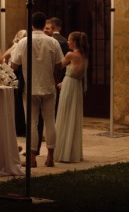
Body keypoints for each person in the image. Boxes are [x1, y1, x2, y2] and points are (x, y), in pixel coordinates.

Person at [11, 12, 64, 168]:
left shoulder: (24, 42)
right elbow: (60, 64)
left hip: (30, 87)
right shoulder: (53, 42)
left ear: (32, 24)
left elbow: (14, 65)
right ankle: (50, 157)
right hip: (48, 86)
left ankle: (32, 158)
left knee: (32, 123)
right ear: (44, 25)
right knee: (50, 122)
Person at [54, 31, 88, 163]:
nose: (67, 42)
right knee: (73, 116)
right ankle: (72, 151)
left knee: (65, 114)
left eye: (69, 40)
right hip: (76, 86)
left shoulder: (70, 55)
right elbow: (77, 73)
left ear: (74, 42)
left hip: (69, 86)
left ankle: (63, 152)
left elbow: (59, 65)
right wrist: (64, 81)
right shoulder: (84, 55)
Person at [3, 29, 28, 136]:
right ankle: (19, 127)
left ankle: (20, 126)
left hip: (17, 74)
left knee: (19, 103)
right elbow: (8, 60)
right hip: (15, 74)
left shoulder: (20, 46)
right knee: (17, 103)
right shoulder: (17, 46)